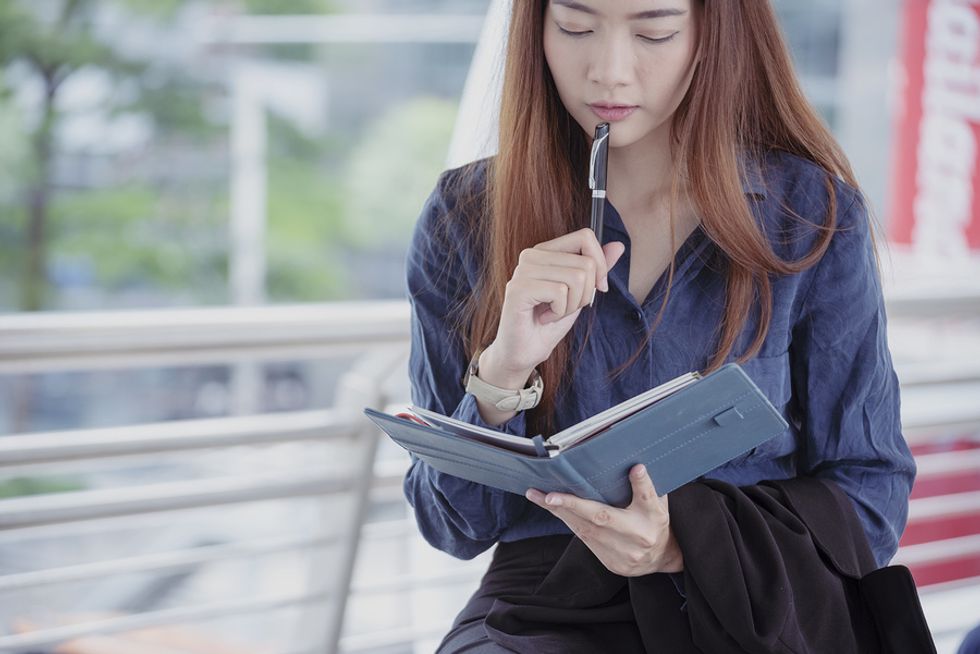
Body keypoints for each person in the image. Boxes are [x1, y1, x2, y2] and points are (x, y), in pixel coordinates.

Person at [403, 0, 916, 651]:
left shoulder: (810, 215)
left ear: (714, 34)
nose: (610, 72)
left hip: (751, 612)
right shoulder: (466, 217)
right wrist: (504, 368)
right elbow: (449, 526)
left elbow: (872, 496)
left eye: (654, 32)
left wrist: (681, 543)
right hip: (545, 611)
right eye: (576, 28)